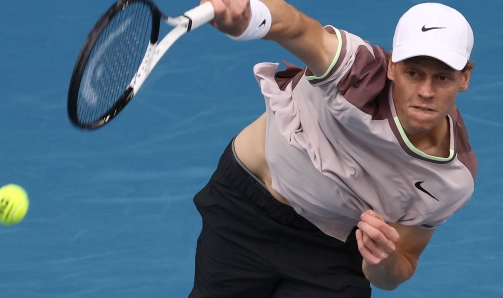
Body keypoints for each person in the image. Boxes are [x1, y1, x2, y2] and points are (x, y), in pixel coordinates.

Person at [189, 1, 477, 297]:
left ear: (464, 78)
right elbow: (296, 26)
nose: (426, 91)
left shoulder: (451, 180)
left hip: (331, 244)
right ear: (391, 66)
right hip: (242, 209)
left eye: (442, 77)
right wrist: (251, 13)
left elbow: (398, 268)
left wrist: (383, 259)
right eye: (413, 73)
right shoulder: (355, 71)